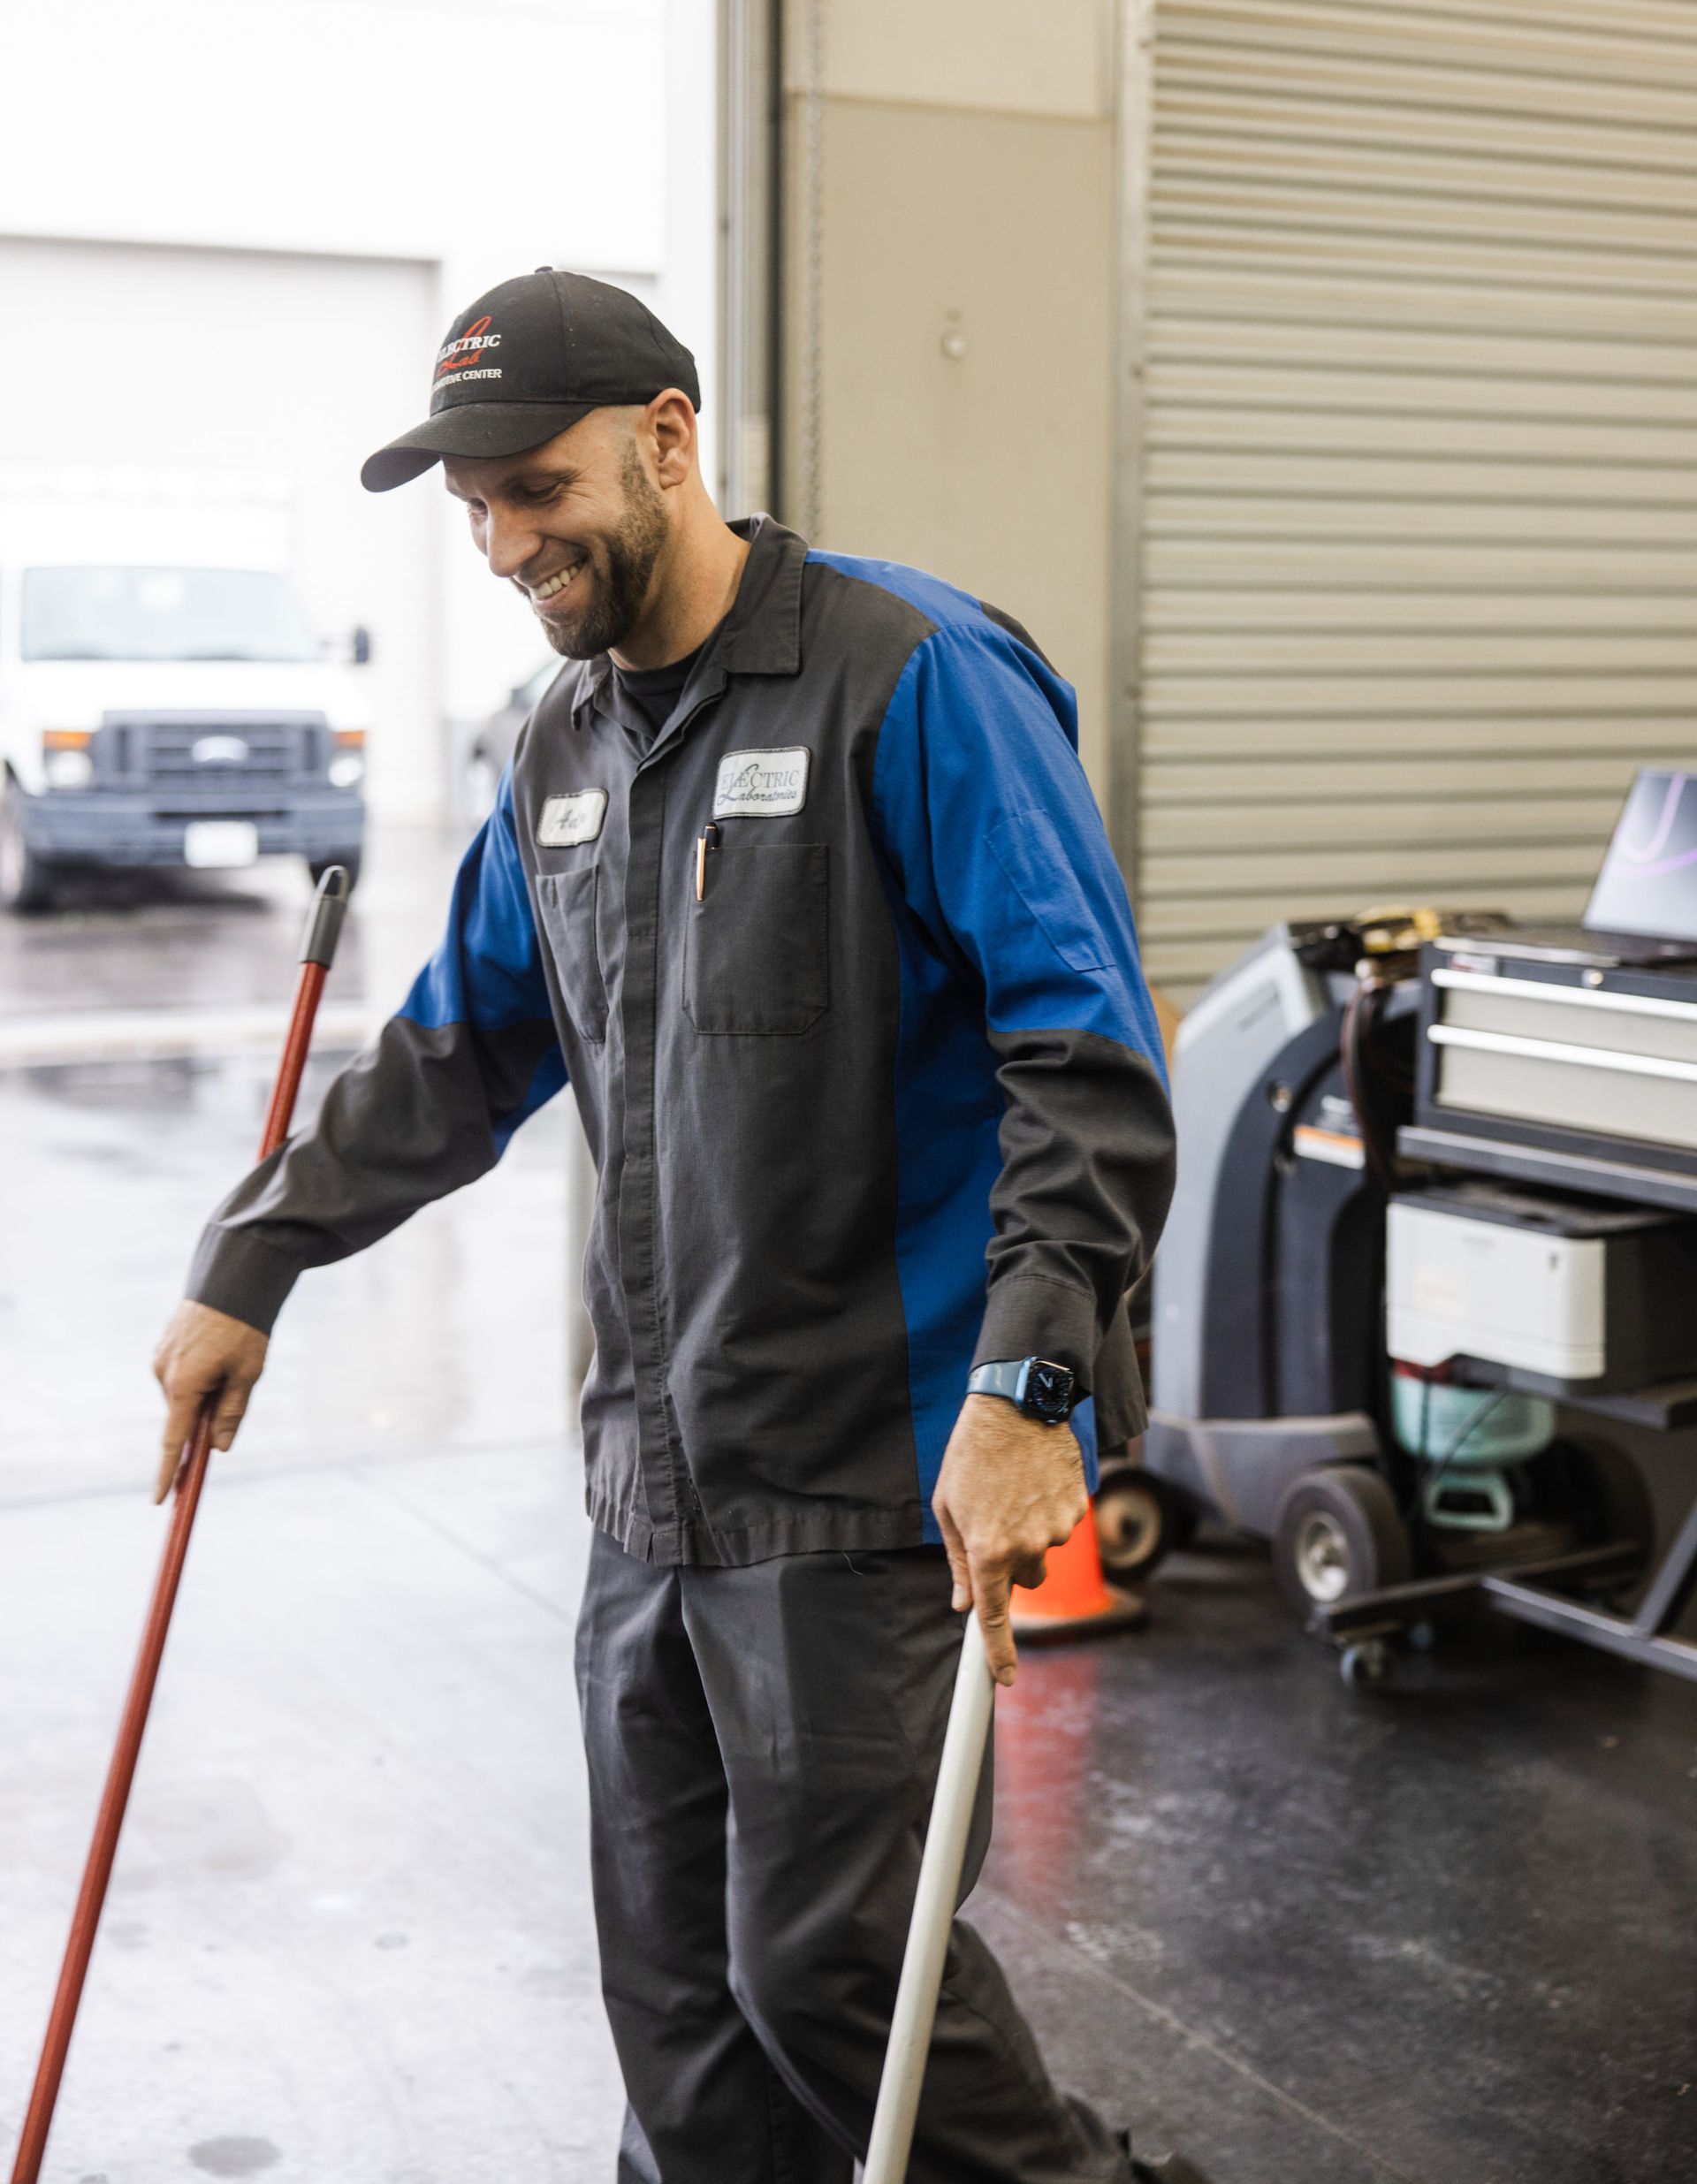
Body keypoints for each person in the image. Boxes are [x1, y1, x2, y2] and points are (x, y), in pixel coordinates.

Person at [153, 270, 1183, 2184]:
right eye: (475, 510)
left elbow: (1088, 1058)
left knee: (832, 1981)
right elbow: (460, 1049)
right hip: (653, 1476)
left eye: (535, 490)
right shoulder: (559, 746)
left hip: (870, 1475)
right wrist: (255, 1254)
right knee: (680, 2020)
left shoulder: (912, 675)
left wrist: (1031, 1386)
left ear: (667, 439)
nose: (503, 545)